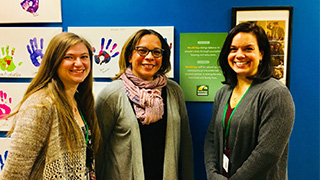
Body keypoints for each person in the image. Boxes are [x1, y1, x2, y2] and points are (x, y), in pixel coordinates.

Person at [0, 32, 101, 180]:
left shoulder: (80, 100)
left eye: (84, 57)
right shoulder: (40, 104)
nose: (79, 63)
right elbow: (14, 173)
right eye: (69, 57)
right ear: (54, 61)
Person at [95, 29, 194, 180]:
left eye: (156, 52)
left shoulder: (174, 92)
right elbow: (97, 150)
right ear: (129, 56)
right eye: (142, 50)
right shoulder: (111, 95)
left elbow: (185, 147)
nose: (149, 57)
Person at [204, 22, 295, 180]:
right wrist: (212, 175)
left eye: (248, 48)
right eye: (233, 49)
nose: (239, 55)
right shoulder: (223, 93)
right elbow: (211, 137)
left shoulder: (276, 93)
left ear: (261, 54)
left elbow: (268, 152)